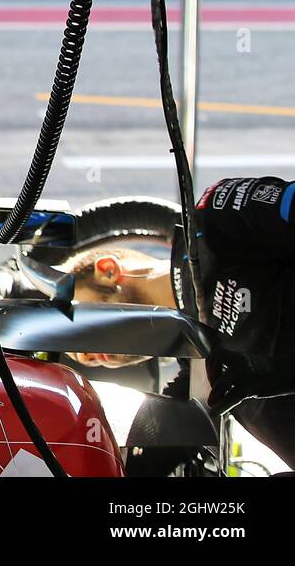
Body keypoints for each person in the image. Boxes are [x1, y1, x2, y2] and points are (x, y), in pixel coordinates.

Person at [66, 176, 295, 467]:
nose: (85, 355)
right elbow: (147, 453)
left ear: (108, 271)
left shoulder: (216, 220)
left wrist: (278, 373)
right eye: (86, 360)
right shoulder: (199, 381)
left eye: (75, 325)